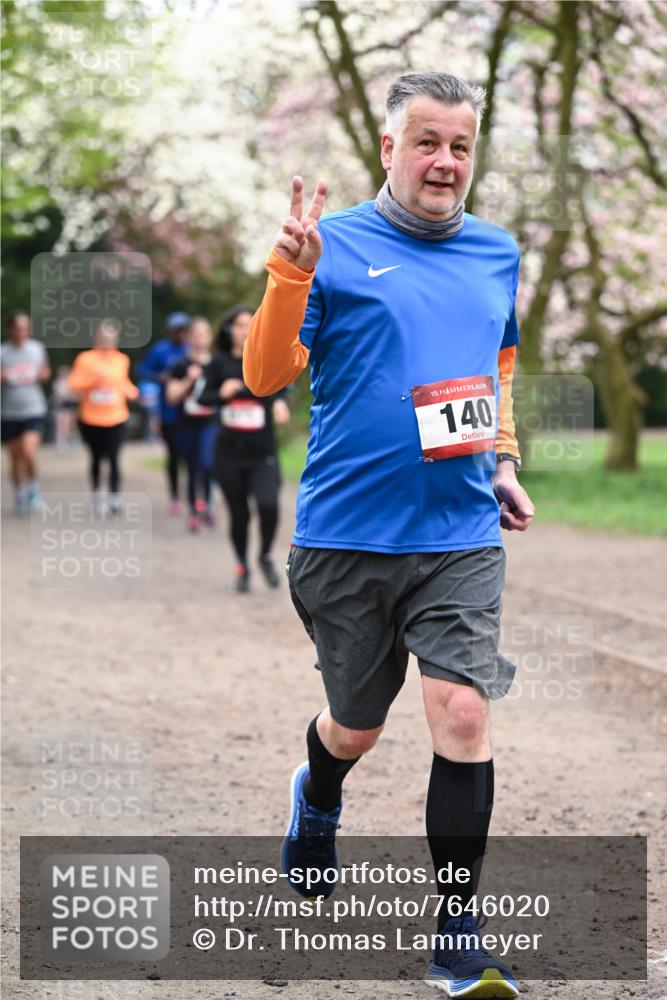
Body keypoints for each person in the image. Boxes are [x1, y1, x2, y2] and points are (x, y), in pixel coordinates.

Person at [244, 72, 535, 998]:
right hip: (346, 536)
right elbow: (263, 376)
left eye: (459, 145)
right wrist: (290, 272)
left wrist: (502, 458)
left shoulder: (497, 252)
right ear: (388, 148)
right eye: (426, 142)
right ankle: (317, 794)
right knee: (356, 726)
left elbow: (496, 363)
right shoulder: (329, 248)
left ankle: (456, 936)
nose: (443, 161)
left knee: (462, 713)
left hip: (456, 533)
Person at [210, 306, 290, 592]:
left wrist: (281, 403)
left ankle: (265, 555)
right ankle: (242, 564)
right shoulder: (218, 363)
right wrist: (220, 392)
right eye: (239, 325)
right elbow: (203, 398)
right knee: (239, 514)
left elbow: (282, 390)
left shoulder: (263, 359)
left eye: (250, 324)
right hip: (229, 453)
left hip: (262, 452)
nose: (245, 330)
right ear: (229, 330)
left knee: (269, 505)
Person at [68, 322, 139, 513]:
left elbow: (123, 383)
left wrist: (134, 392)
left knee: (115, 457)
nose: (108, 341)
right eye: (104, 337)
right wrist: (93, 380)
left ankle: (115, 496)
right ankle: (97, 492)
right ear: (97, 338)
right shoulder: (85, 359)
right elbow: (74, 385)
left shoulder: (122, 360)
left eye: (111, 338)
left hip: (116, 416)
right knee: (96, 457)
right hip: (91, 418)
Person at [166, 317, 219, 533]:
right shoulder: (180, 364)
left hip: (210, 422)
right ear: (189, 338)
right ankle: (194, 512)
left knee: (207, 463)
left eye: (204, 333)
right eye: (195, 334)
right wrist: (189, 380)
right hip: (186, 423)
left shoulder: (217, 364)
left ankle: (206, 503)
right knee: (191, 466)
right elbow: (171, 397)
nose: (199, 338)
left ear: (210, 337)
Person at [136, 312, 190, 513]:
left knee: (194, 454)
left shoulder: (191, 348)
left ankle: (196, 493)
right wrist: (161, 377)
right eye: (177, 330)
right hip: (169, 412)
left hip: (192, 411)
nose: (180, 333)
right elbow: (142, 370)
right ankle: (175, 495)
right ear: (170, 331)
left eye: (183, 329)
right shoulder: (160, 350)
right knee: (174, 455)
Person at [1, 311, 50, 513]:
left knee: (29, 451)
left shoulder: (37, 349)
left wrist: (40, 374)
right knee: (15, 456)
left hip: (33, 408)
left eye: (26, 327)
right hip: (9, 411)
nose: (22, 331)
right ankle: (19, 494)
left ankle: (33, 490)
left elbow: (46, 373)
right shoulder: (3, 352)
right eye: (19, 327)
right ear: (11, 329)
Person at [51, 365, 79, 452]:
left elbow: (76, 395)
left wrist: (70, 396)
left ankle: (72, 441)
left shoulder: (71, 382)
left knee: (71, 425)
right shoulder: (57, 383)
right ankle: (62, 443)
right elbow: (56, 396)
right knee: (62, 425)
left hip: (70, 406)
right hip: (61, 407)